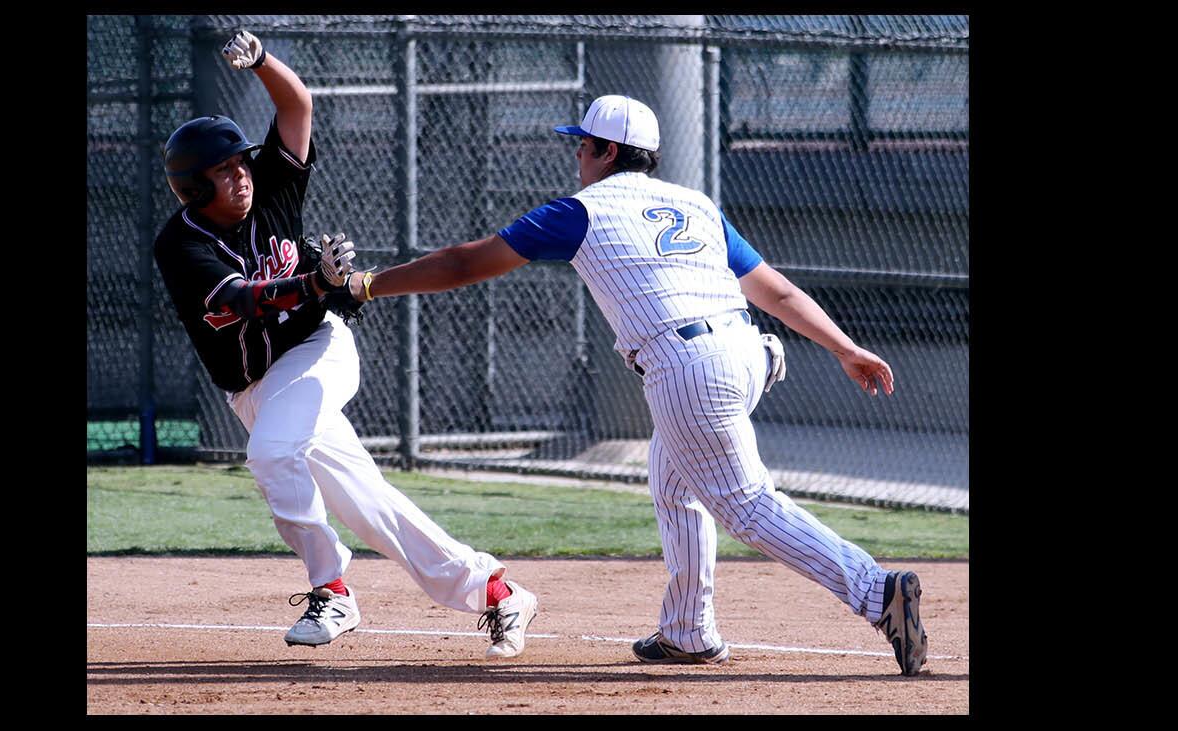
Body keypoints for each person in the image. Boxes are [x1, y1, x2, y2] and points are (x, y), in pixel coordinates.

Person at [331, 95, 927, 675]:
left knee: (746, 506)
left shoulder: (580, 211)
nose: (578, 157)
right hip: (744, 351)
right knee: (675, 484)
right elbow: (778, 292)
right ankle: (689, 632)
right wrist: (844, 348)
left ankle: (876, 593)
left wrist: (365, 285)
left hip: (689, 367)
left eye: (583, 146)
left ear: (607, 150)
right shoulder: (695, 204)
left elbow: (465, 263)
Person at [152, 30, 538, 659]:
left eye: (240, 162)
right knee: (369, 506)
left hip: (315, 349)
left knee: (272, 453)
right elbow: (239, 300)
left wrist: (262, 63)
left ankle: (331, 588)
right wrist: (315, 280)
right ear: (195, 188)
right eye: (222, 171)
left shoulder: (271, 185)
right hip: (253, 387)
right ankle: (496, 592)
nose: (240, 175)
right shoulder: (182, 243)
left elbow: (296, 107)